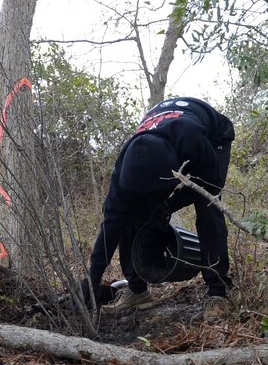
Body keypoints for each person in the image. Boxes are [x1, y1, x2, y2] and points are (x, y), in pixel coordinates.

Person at [84, 96, 235, 322]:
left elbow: (210, 184)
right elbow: (112, 225)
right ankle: (137, 291)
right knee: (129, 214)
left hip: (212, 135)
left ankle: (218, 292)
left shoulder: (192, 141)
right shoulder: (123, 167)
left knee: (208, 206)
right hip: (166, 139)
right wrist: (91, 280)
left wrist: (169, 204)